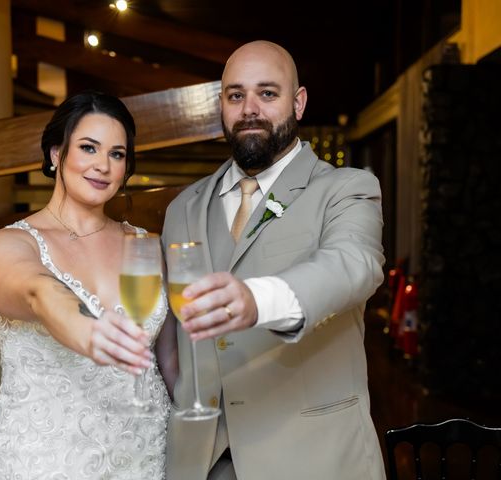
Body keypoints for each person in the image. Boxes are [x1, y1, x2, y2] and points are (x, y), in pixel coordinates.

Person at [162, 40, 387, 479]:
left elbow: (354, 264)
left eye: (268, 94)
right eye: (235, 95)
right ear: (221, 105)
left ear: (298, 103)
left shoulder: (347, 189)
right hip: (201, 463)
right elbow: (173, 335)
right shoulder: (182, 208)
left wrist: (256, 299)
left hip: (313, 458)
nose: (250, 108)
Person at [0, 91, 175, 480]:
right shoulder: (6, 244)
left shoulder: (146, 245)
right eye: (88, 148)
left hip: (146, 455)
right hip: (45, 461)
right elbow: (39, 291)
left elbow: (169, 363)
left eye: (117, 154)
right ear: (56, 154)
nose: (103, 165)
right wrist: (87, 328)